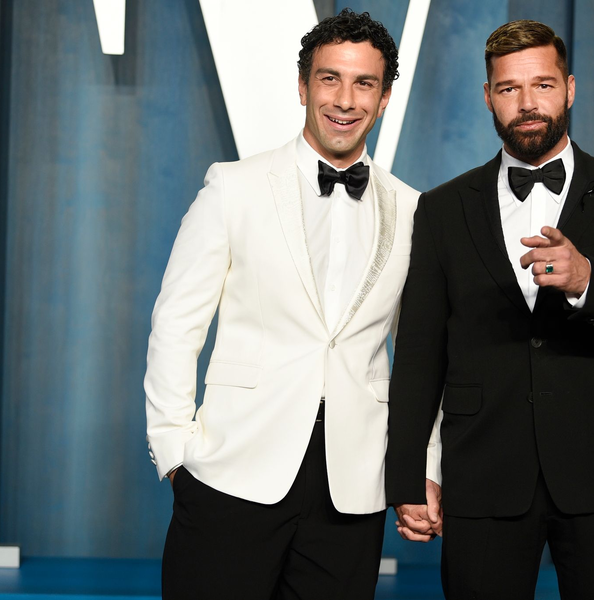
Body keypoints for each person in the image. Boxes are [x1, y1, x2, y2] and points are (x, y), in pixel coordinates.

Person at [144, 9, 438, 600]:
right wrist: (175, 451)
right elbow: (177, 323)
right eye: (330, 79)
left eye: (364, 83)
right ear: (303, 86)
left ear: (384, 98)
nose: (345, 100)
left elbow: (423, 357)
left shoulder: (412, 209)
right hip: (231, 471)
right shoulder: (233, 186)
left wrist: (422, 468)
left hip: (353, 487)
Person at [386, 19, 594, 599]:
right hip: (481, 471)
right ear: (488, 97)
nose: (527, 103)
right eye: (509, 88)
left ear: (569, 89)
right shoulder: (442, 208)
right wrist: (410, 474)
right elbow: (420, 353)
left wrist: (588, 280)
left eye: (542, 85)